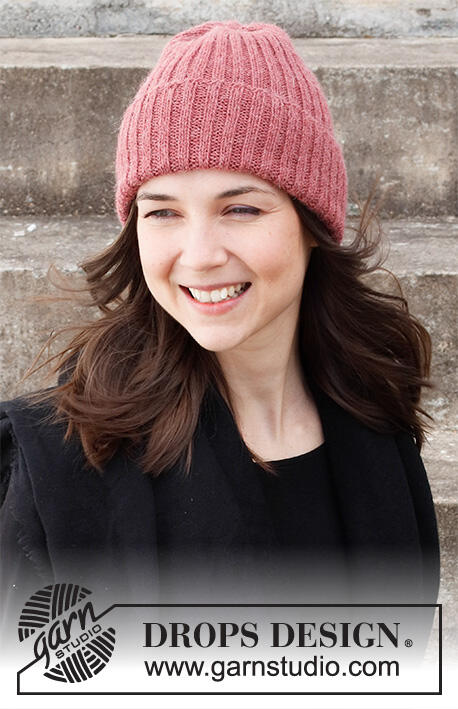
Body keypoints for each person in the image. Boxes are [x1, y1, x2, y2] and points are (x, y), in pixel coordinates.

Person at [0, 21, 439, 612]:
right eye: (162, 213)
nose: (200, 255)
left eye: (241, 209)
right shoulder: (58, 463)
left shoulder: (375, 408)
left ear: (312, 225)